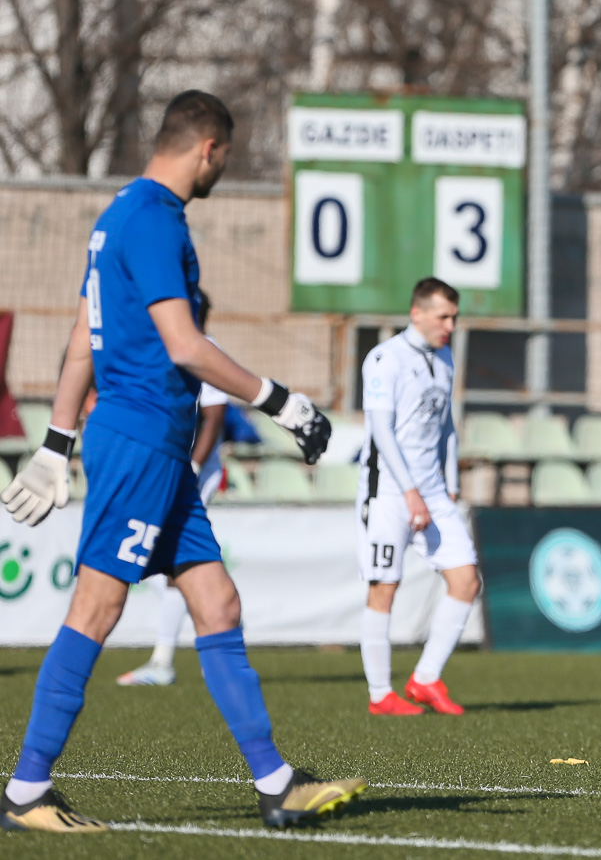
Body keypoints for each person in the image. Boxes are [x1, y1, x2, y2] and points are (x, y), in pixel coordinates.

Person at [0, 91, 365, 833]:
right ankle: (25, 790)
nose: (221, 170)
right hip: (140, 443)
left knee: (217, 602)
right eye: (224, 157)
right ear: (208, 149)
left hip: (156, 448)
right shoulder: (155, 221)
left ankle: (276, 784)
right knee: (96, 608)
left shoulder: (119, 218)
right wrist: (283, 402)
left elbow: (82, 337)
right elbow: (185, 346)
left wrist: (57, 440)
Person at [357, 277, 481, 717]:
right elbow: (381, 431)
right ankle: (380, 695)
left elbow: (445, 425)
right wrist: (410, 491)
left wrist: (450, 479)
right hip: (390, 492)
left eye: (454, 317)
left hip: (432, 491)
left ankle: (425, 678)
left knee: (466, 580)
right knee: (384, 588)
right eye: (443, 317)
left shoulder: (444, 357)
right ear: (417, 313)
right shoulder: (384, 359)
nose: (450, 326)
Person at [117, 288, 228, 686]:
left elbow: (214, 416)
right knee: (167, 562)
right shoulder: (169, 348)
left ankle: (165, 660)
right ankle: (218, 624)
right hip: (165, 470)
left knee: (176, 564)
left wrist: (193, 467)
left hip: (190, 474)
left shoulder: (204, 348)